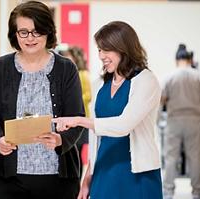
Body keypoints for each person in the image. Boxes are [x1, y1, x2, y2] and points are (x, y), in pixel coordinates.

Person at [0, 1, 84, 199]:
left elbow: (77, 117)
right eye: (24, 32)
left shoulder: (66, 69)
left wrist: (61, 139)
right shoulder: (1, 68)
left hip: (57, 179)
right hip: (7, 180)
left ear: (48, 32)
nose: (30, 38)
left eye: (37, 31)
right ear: (15, 34)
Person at [53, 21, 163, 199]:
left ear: (123, 48)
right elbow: (97, 138)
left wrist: (78, 120)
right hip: (104, 171)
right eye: (99, 50)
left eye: (106, 49)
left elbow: (123, 125)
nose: (101, 55)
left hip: (136, 174)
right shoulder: (100, 84)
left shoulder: (146, 81)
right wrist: (88, 175)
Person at [161, 44, 200, 199]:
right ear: (190, 59)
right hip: (195, 120)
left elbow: (161, 99)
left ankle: (168, 192)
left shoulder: (169, 76)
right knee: (195, 157)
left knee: (171, 157)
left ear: (177, 60)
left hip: (174, 120)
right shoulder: (197, 76)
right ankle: (197, 191)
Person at [59, 46, 91, 172]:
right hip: (69, 120)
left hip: (80, 119)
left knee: (77, 151)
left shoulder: (83, 74)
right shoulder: (66, 75)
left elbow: (88, 95)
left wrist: (73, 98)